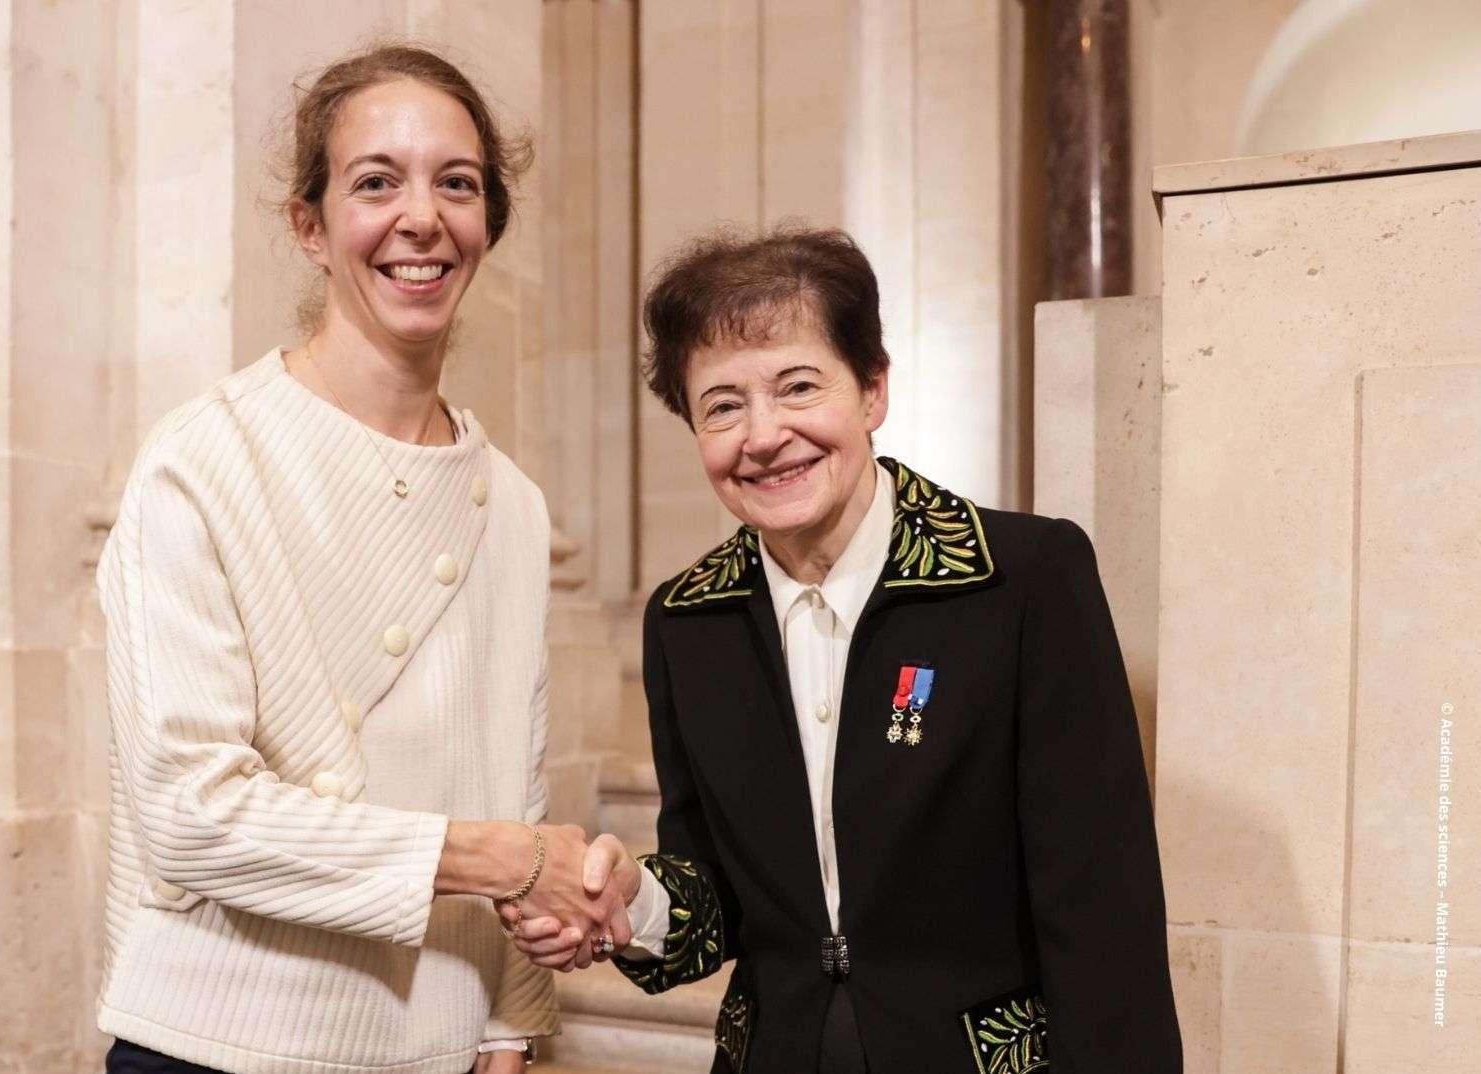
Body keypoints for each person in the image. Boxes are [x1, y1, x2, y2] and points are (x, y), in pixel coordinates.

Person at [504, 227, 1182, 1072]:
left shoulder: (1022, 579)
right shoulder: (687, 620)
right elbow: (711, 894)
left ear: (871, 390)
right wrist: (630, 900)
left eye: (797, 387)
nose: (763, 434)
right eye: (722, 405)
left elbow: (1100, 904)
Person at [94, 44, 628, 1074]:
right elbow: (189, 817)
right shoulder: (201, 461)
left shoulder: (512, 505)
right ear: (310, 226)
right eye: (374, 181)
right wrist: (507, 861)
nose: (420, 217)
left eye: (456, 185)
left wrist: (510, 1023)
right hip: (219, 1043)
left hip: (437, 1045)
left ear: (485, 229)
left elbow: (507, 778)